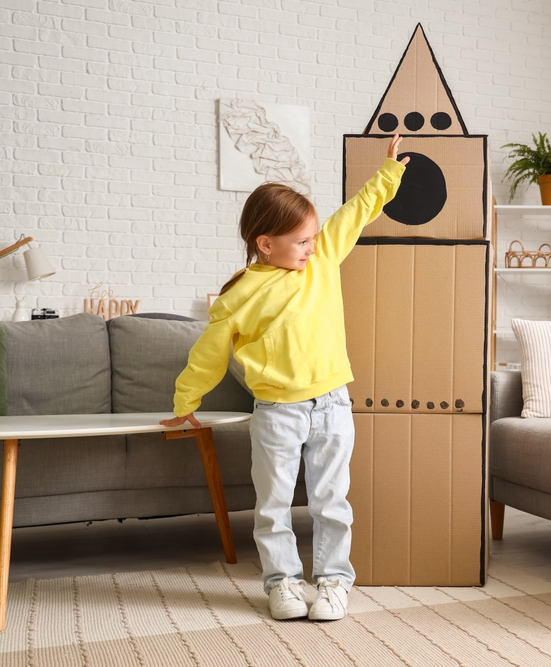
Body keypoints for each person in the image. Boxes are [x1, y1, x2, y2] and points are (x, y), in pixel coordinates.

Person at [160, 136, 409, 621]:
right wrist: (185, 401)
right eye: (300, 240)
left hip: (333, 404)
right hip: (276, 413)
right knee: (273, 507)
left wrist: (388, 174)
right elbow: (207, 356)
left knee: (331, 503)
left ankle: (335, 582)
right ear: (264, 243)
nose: (311, 248)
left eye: (313, 237)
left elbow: (356, 211)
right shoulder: (237, 296)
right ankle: (284, 584)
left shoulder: (321, 261)